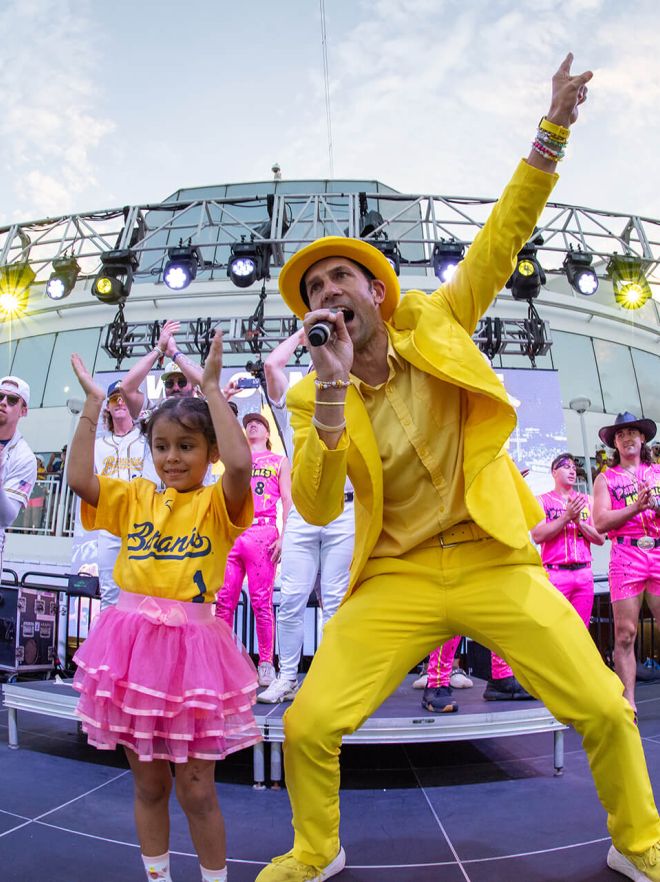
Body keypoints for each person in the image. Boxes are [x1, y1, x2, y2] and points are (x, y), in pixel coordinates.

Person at [255, 57, 660, 882]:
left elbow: (503, 237)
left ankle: (639, 843)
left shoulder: (439, 318)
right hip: (397, 575)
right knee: (308, 723)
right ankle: (315, 850)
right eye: (314, 290)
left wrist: (552, 130)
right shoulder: (307, 396)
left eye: (340, 277)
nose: (328, 292)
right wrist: (329, 396)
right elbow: (316, 503)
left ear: (377, 292)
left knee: (603, 707)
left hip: (493, 560)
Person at [68, 332, 260, 882]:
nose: (172, 457)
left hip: (194, 654)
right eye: (162, 446)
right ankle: (158, 877)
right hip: (130, 650)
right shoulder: (133, 496)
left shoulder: (219, 502)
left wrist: (212, 389)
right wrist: (92, 406)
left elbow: (241, 466)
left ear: (210, 452)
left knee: (196, 789)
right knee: (149, 784)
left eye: (186, 446)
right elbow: (79, 479)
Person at [258, 329, 355, 704]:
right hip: (302, 510)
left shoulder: (351, 396)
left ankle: (331, 679)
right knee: (292, 598)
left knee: (334, 600)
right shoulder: (295, 405)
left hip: (344, 510)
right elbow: (272, 364)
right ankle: (286, 678)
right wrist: (304, 334)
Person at [216, 412, 292, 687]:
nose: (253, 426)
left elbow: (287, 499)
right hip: (235, 531)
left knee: (261, 601)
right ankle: (220, 662)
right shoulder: (237, 460)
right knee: (224, 600)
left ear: (268, 433)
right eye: (249, 424)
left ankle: (266, 663)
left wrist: (285, 536)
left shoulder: (279, 460)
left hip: (263, 531)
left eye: (258, 423)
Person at [593, 413, 660, 719]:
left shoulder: (657, 472)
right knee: (625, 633)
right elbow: (600, 521)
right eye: (621, 435)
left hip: (657, 550)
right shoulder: (606, 478)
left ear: (643, 438)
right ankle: (628, 704)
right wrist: (636, 507)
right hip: (625, 555)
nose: (627, 438)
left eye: (633, 432)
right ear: (615, 443)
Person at [83, 380, 156, 610]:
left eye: (124, 397)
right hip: (110, 525)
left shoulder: (147, 441)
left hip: (142, 524)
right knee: (109, 592)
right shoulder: (98, 445)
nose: (120, 401)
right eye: (115, 397)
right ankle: (109, 636)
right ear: (107, 405)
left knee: (143, 594)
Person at [531, 453, 605, 627]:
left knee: (581, 629)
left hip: (583, 573)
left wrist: (579, 523)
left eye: (573, 468)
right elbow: (537, 535)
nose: (572, 471)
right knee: (554, 628)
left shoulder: (588, 501)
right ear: (554, 472)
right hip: (555, 574)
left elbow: (600, 538)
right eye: (566, 467)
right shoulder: (541, 501)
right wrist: (566, 517)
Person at [118, 319, 203, 420]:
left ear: (194, 387)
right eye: (169, 383)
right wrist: (159, 349)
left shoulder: (204, 413)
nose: (176, 388)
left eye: (182, 382)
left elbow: (207, 382)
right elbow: (126, 388)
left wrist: (174, 352)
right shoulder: (154, 415)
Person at [0, 376, 37, 571]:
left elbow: (6, 517)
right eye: (0, 397)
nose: (3, 402)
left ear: (23, 411)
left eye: (12, 400)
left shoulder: (25, 458)